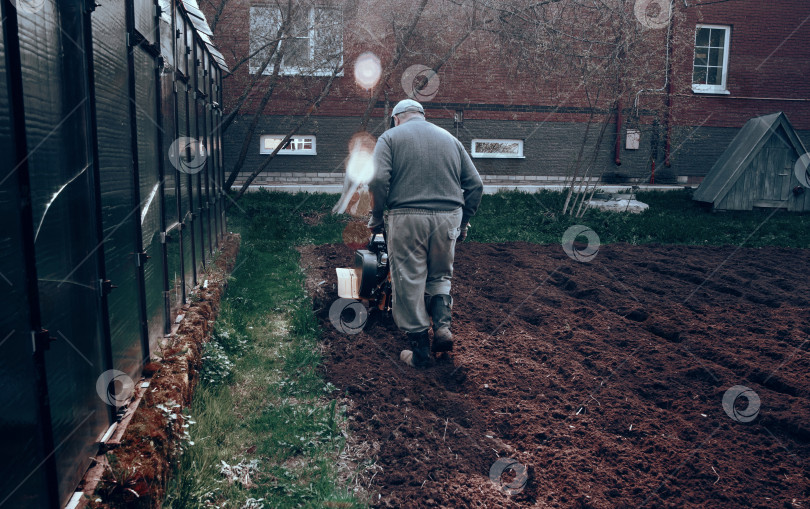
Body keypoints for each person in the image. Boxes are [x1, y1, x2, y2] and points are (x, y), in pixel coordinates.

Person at [368, 99, 483, 368]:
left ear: (396, 118)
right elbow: (475, 185)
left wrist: (376, 217)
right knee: (440, 275)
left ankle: (420, 353)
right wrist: (463, 223)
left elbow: (378, 180)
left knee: (408, 280)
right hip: (448, 219)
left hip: (407, 218)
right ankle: (442, 327)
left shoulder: (389, 138)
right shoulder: (450, 139)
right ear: (422, 115)